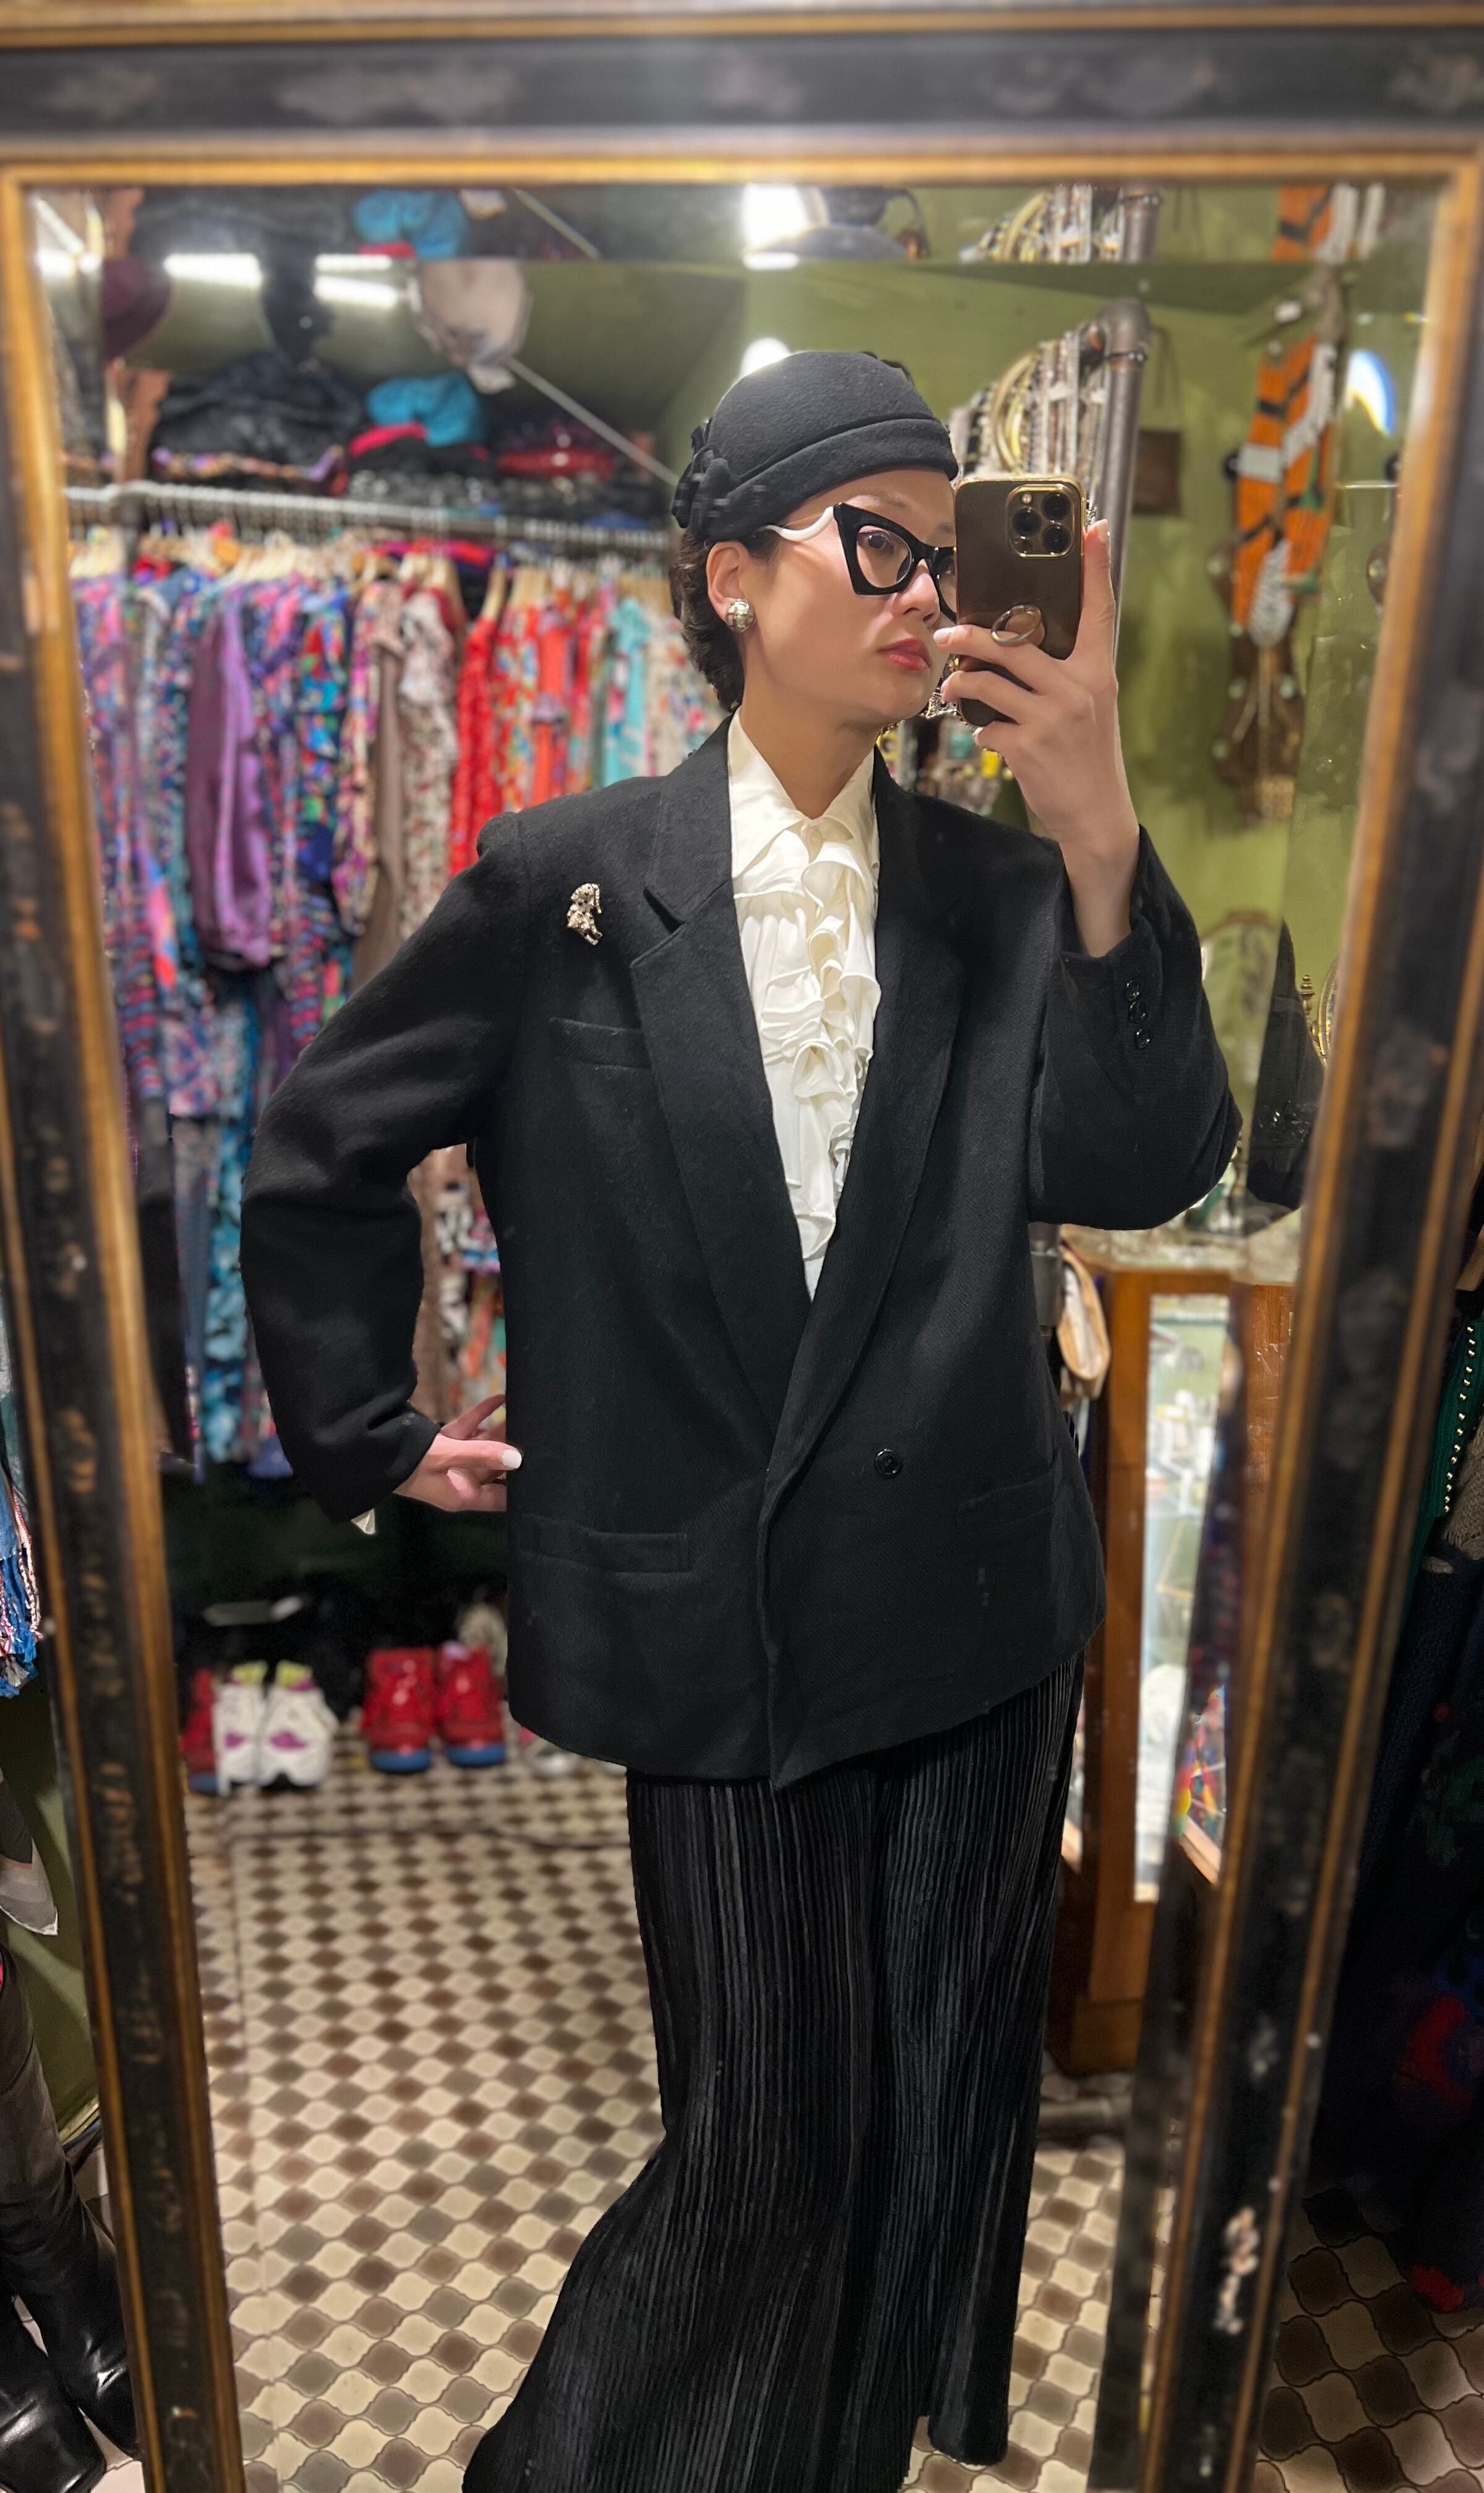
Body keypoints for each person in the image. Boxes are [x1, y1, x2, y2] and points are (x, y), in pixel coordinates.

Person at [241, 350, 1237, 2493]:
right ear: (728, 578)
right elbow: (320, 1147)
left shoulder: (997, 896)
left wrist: (1096, 823)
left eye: (952, 548)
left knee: (934, 2101)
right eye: (879, 543)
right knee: (765, 2133)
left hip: (977, 1611)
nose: (927, 591)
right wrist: (364, 1426)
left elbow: (1149, 1162)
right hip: (719, 1626)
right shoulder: (563, 883)